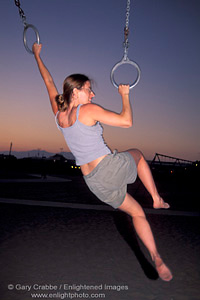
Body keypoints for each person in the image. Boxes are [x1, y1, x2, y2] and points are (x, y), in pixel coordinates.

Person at [32, 43, 173, 282]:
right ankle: (157, 199)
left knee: (137, 214)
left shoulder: (59, 115)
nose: (92, 94)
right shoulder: (87, 110)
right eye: (88, 89)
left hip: (94, 183)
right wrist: (125, 95)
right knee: (137, 153)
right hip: (107, 169)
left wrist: (36, 55)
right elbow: (127, 122)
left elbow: (48, 83)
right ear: (75, 92)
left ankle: (156, 256)